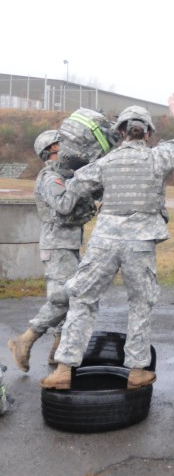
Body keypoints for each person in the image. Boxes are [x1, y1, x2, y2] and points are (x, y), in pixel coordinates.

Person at [41, 94, 174, 390]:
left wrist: (60, 174)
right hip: (139, 245)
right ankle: (137, 371)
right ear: (149, 133)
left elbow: (71, 190)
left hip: (103, 243)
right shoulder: (158, 156)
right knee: (140, 304)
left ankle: (63, 370)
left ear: (120, 132)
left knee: (83, 300)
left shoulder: (105, 163)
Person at [7, 130, 97, 373]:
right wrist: (80, 183)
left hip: (67, 244)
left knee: (70, 296)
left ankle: (58, 351)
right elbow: (65, 205)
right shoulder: (49, 178)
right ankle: (25, 340)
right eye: (62, 144)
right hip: (57, 246)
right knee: (62, 298)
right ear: (52, 151)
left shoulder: (65, 175)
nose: (68, 148)